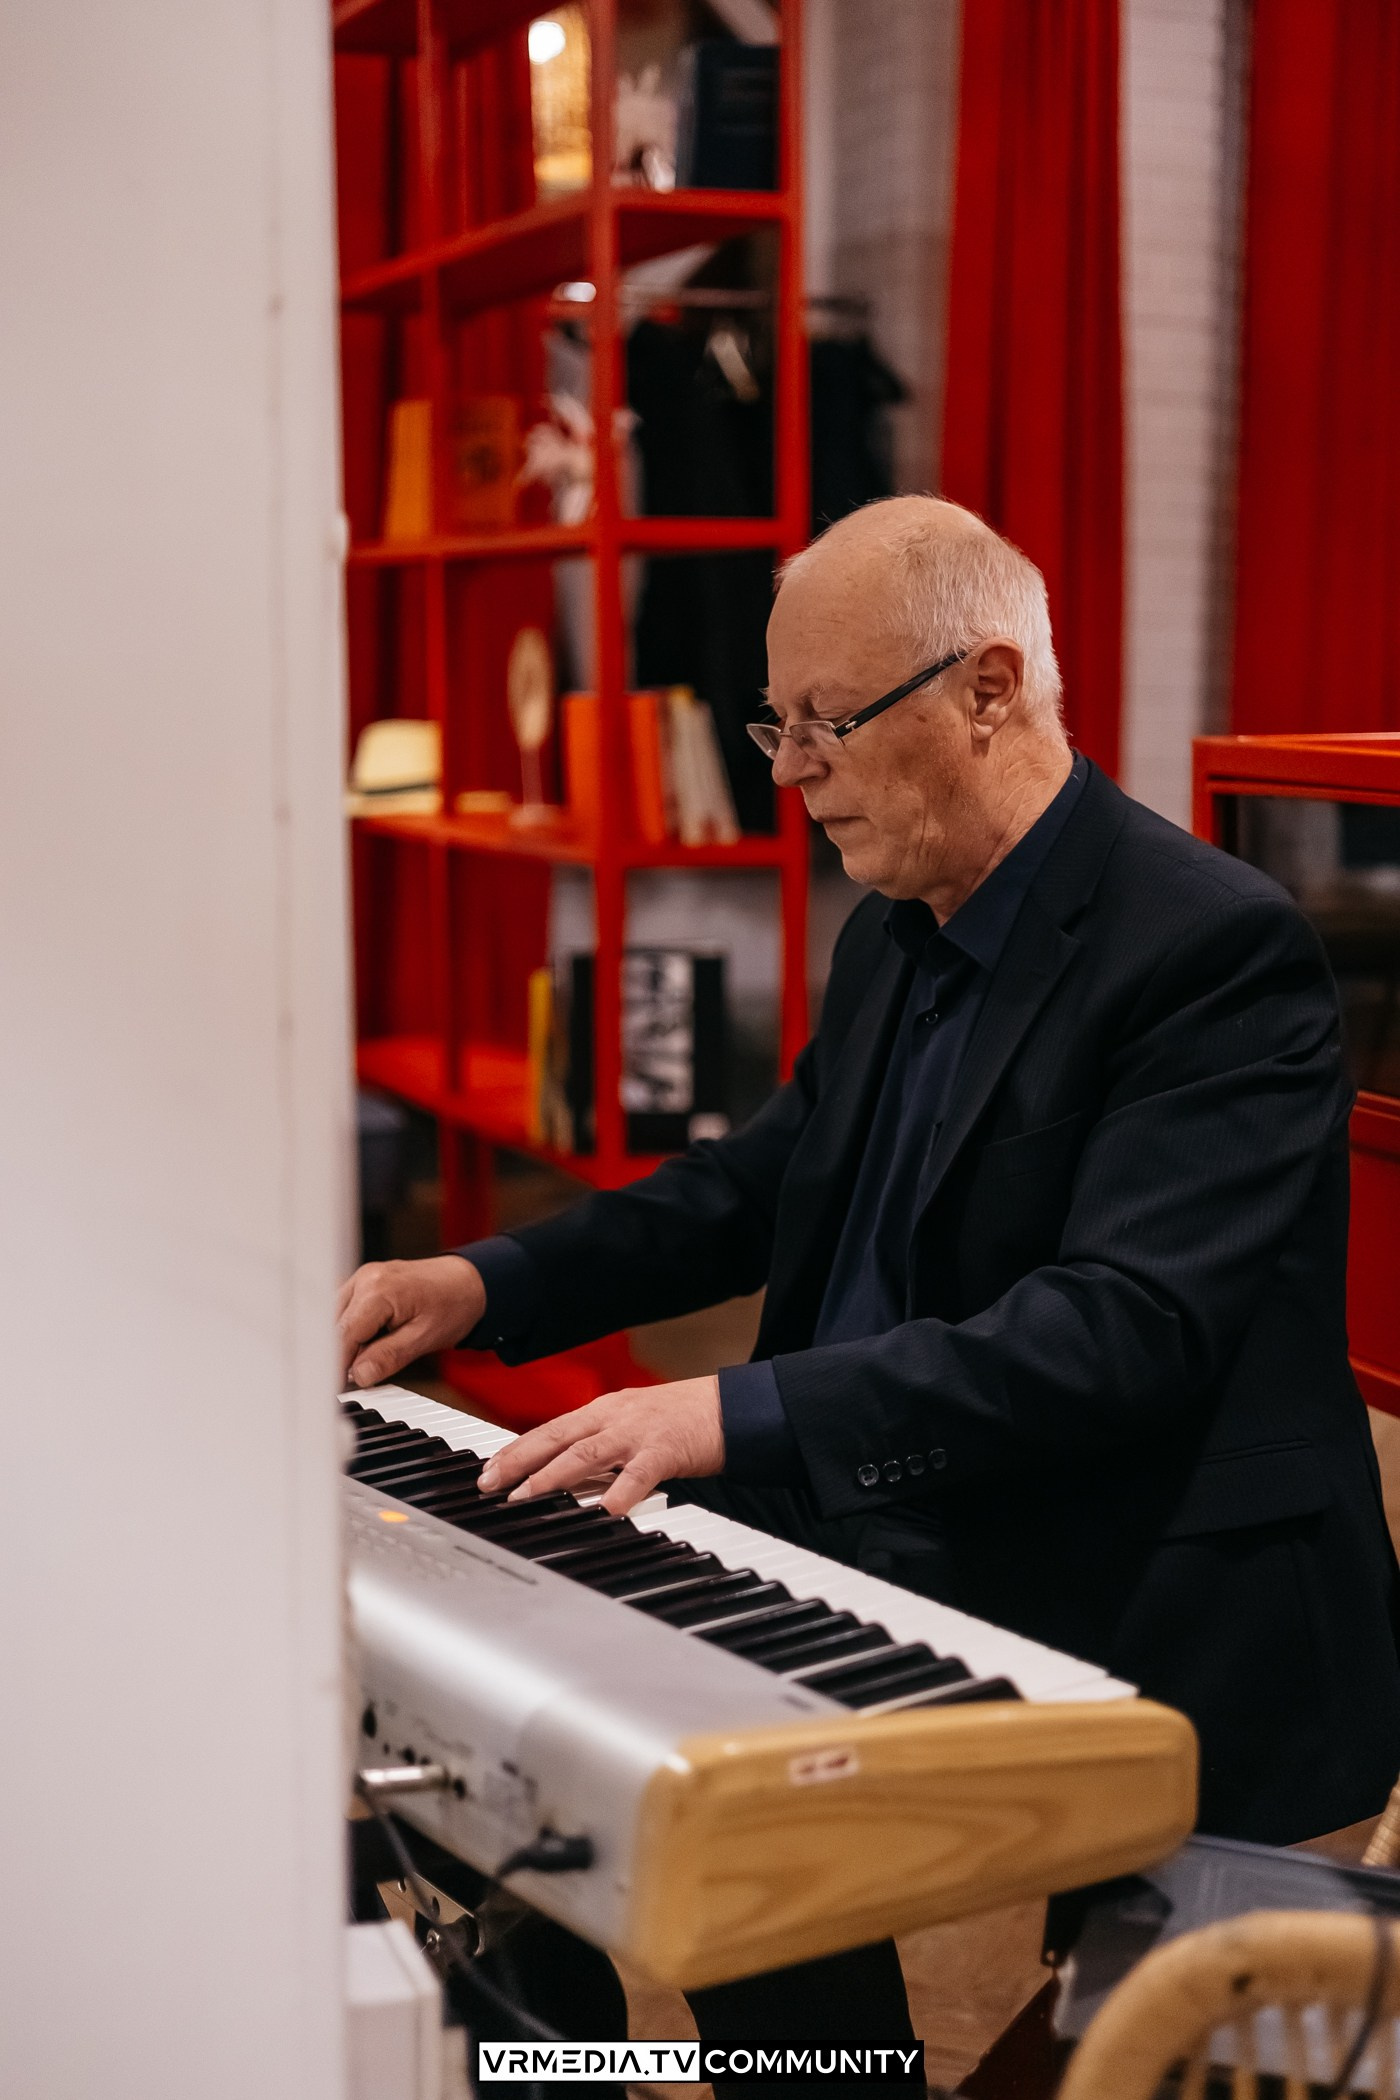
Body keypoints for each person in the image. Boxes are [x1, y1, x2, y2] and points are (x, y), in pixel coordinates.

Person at [338, 496, 1400, 2052]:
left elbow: (1119, 1331)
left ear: (989, 691)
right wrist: (482, 1282)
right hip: (900, 1506)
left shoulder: (1209, 947)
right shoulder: (899, 925)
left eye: (824, 723)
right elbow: (756, 1189)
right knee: (522, 1752)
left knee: (1119, 2042)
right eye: (774, 725)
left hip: (1162, 1578)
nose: (788, 772)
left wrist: (727, 1414)